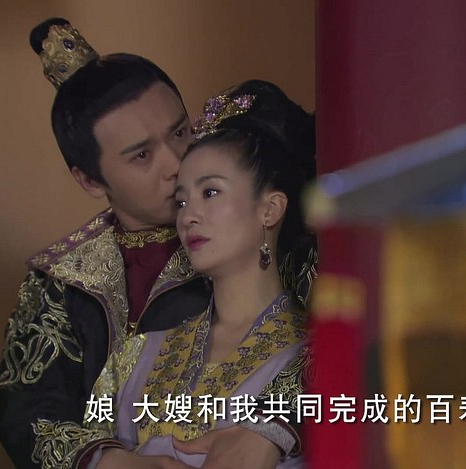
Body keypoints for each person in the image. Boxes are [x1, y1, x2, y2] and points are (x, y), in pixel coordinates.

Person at [0, 19, 312, 469]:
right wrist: (114, 463)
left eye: (180, 132)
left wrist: (273, 427)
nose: (176, 162)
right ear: (89, 180)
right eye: (142, 155)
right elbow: (30, 414)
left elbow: (357, 346)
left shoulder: (259, 229)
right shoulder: (58, 286)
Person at [81, 80, 316, 468]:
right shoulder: (137, 354)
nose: (188, 216)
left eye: (210, 192)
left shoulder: (314, 358)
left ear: (270, 208)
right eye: (181, 201)